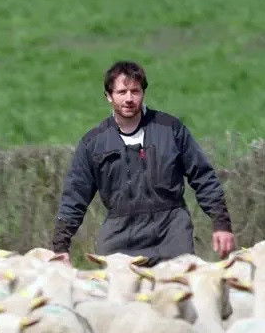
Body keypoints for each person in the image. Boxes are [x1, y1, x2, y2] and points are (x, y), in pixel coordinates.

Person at [51, 61, 236, 265]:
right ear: (108, 96)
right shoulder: (93, 143)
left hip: (172, 236)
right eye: (122, 92)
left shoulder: (171, 129)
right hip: (120, 240)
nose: (129, 99)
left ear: (143, 93)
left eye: (135, 91)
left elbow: (203, 177)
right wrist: (61, 246)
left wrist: (221, 223)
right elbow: (75, 196)